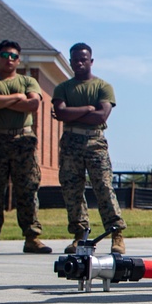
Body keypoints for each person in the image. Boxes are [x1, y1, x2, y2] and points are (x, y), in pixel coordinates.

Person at [0, 41, 52, 254]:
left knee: (27, 190)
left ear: (18, 60)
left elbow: (33, 105)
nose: (9, 58)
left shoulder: (28, 81)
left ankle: (32, 238)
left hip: (23, 141)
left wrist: (8, 101)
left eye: (13, 55)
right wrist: (18, 98)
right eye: (4, 54)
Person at [52, 43, 127, 254]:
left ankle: (116, 234)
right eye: (75, 59)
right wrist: (87, 109)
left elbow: (101, 116)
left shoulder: (103, 87)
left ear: (91, 61)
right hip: (70, 143)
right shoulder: (63, 88)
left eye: (83, 59)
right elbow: (61, 114)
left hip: (95, 143)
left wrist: (73, 112)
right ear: (70, 61)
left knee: (103, 187)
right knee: (72, 190)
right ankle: (79, 235)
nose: (79, 63)